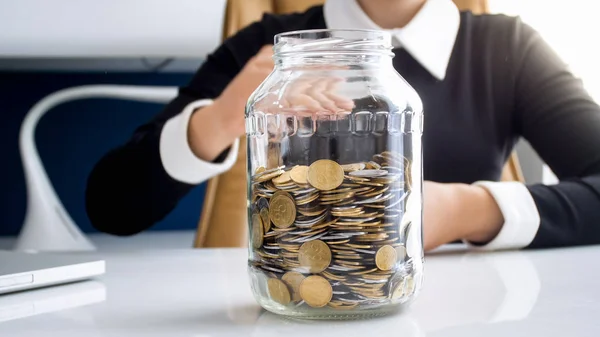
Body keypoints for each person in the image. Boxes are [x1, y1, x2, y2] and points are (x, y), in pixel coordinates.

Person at [86, 0, 600, 251]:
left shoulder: (508, 48)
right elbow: (110, 205)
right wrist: (220, 118)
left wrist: (466, 210)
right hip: (293, 309)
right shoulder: (266, 48)